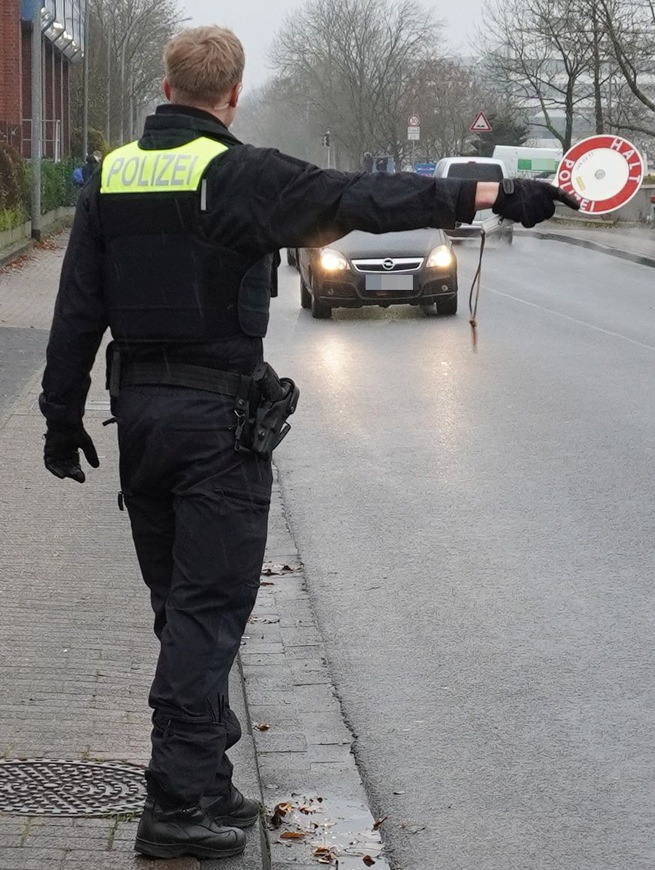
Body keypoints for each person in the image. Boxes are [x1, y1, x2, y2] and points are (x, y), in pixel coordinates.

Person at [39, 25, 579, 862]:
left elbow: (78, 305)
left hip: (138, 415)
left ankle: (207, 776)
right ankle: (175, 806)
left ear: (166, 83)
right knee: (207, 611)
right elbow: (361, 200)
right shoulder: (241, 174)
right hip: (216, 425)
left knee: (176, 606)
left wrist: (57, 413)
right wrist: (493, 198)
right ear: (233, 93)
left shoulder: (111, 175)